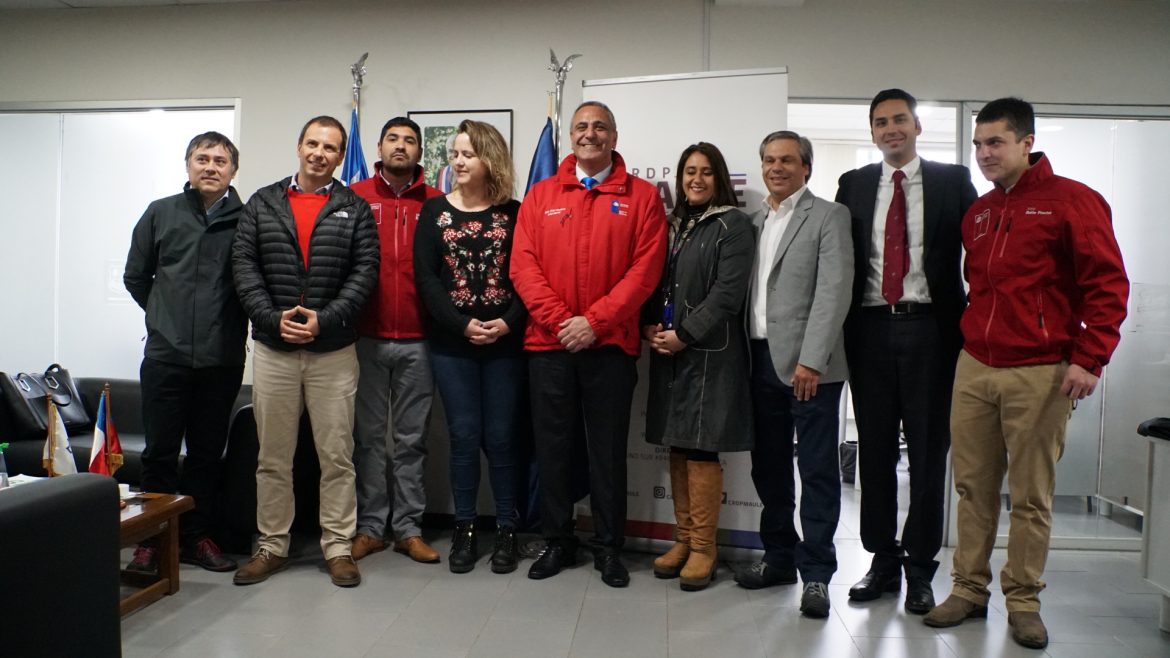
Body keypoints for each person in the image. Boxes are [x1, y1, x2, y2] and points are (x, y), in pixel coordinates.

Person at [924, 98, 1128, 650]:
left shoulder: (1073, 202)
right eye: (978, 143)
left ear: (1026, 142)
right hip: (976, 365)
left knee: (1031, 495)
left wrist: (1091, 357)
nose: (985, 153)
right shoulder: (980, 213)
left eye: (996, 142)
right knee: (971, 488)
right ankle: (968, 589)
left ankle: (1023, 601)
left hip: (1041, 371)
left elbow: (1107, 285)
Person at [511, 101, 667, 588]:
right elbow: (523, 267)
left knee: (606, 452)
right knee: (553, 449)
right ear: (571, 136)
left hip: (609, 347)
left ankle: (608, 547)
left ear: (615, 137)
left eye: (600, 127)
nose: (589, 134)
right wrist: (563, 323)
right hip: (549, 345)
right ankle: (557, 541)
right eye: (581, 127)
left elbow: (645, 273)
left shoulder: (642, 198)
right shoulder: (541, 195)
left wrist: (594, 323)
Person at [834, 89, 977, 614]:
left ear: (917, 126)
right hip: (868, 330)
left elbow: (980, 255)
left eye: (899, 119)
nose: (890, 129)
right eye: (880, 122)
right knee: (872, 450)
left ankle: (921, 567)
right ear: (872, 132)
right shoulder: (853, 184)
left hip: (932, 332)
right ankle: (881, 560)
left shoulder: (951, 180)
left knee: (926, 452)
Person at [230, 116, 380, 588]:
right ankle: (272, 545)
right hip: (274, 349)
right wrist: (271, 319)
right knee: (273, 457)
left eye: (330, 147)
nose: (320, 152)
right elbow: (244, 265)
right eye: (312, 143)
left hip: (333, 350)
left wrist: (326, 319)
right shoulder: (262, 202)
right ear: (299, 147)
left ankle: (337, 547)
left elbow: (365, 272)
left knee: (336, 455)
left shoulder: (353, 208)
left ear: (340, 156)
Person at [735, 130, 853, 619]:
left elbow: (833, 291)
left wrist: (813, 359)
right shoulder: (754, 218)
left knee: (819, 472)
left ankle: (818, 575)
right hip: (758, 360)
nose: (776, 167)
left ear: (806, 167)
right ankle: (779, 558)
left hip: (811, 369)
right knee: (770, 469)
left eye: (786, 160)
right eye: (768, 160)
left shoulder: (829, 215)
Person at [123, 131, 247, 574]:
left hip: (222, 359)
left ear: (234, 170)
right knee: (158, 453)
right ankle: (151, 541)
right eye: (202, 158)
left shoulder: (247, 219)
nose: (210, 167)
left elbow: (253, 284)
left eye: (220, 160)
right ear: (188, 165)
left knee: (206, 455)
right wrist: (164, 315)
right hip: (165, 357)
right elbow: (136, 277)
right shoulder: (161, 213)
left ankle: (196, 537)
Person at [414, 120, 526, 574]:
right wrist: (462, 326)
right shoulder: (433, 212)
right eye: (454, 154)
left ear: (489, 159)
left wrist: (506, 322)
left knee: (501, 439)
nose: (457, 162)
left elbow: (529, 277)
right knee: (463, 437)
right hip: (452, 344)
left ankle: (507, 529)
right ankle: (464, 528)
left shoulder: (515, 213)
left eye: (467, 154)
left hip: (506, 344)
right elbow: (426, 280)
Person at [642, 142, 754, 592]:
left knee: (704, 447)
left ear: (719, 177)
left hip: (709, 353)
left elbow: (727, 295)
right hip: (667, 350)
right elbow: (652, 281)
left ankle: (705, 548)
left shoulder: (734, 225)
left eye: (706, 172)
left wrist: (684, 334)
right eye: (690, 171)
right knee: (677, 443)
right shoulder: (671, 225)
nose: (696, 179)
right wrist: (650, 327)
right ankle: (684, 539)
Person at [349, 117, 443, 565]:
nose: (401, 146)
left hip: (421, 341)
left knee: (411, 441)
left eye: (409, 140)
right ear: (380, 147)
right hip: (364, 337)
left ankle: (408, 528)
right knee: (367, 440)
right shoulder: (354, 198)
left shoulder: (438, 204)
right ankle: (370, 527)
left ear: (420, 152)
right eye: (393, 139)